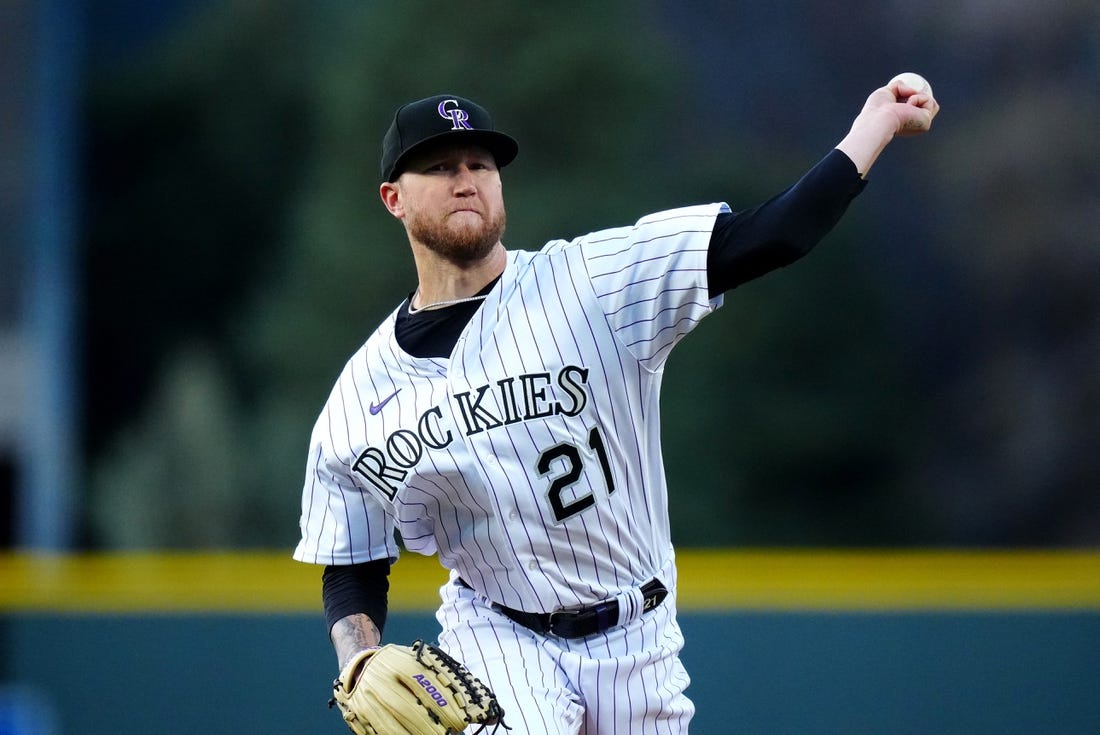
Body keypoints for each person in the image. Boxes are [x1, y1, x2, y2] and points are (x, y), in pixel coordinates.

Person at [294, 77, 939, 733]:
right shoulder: (363, 395)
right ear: (393, 198)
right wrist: (359, 657)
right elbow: (352, 563)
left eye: (480, 163)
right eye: (440, 166)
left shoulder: (592, 281)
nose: (467, 179)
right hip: (496, 632)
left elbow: (772, 235)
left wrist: (874, 126)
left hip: (638, 632)